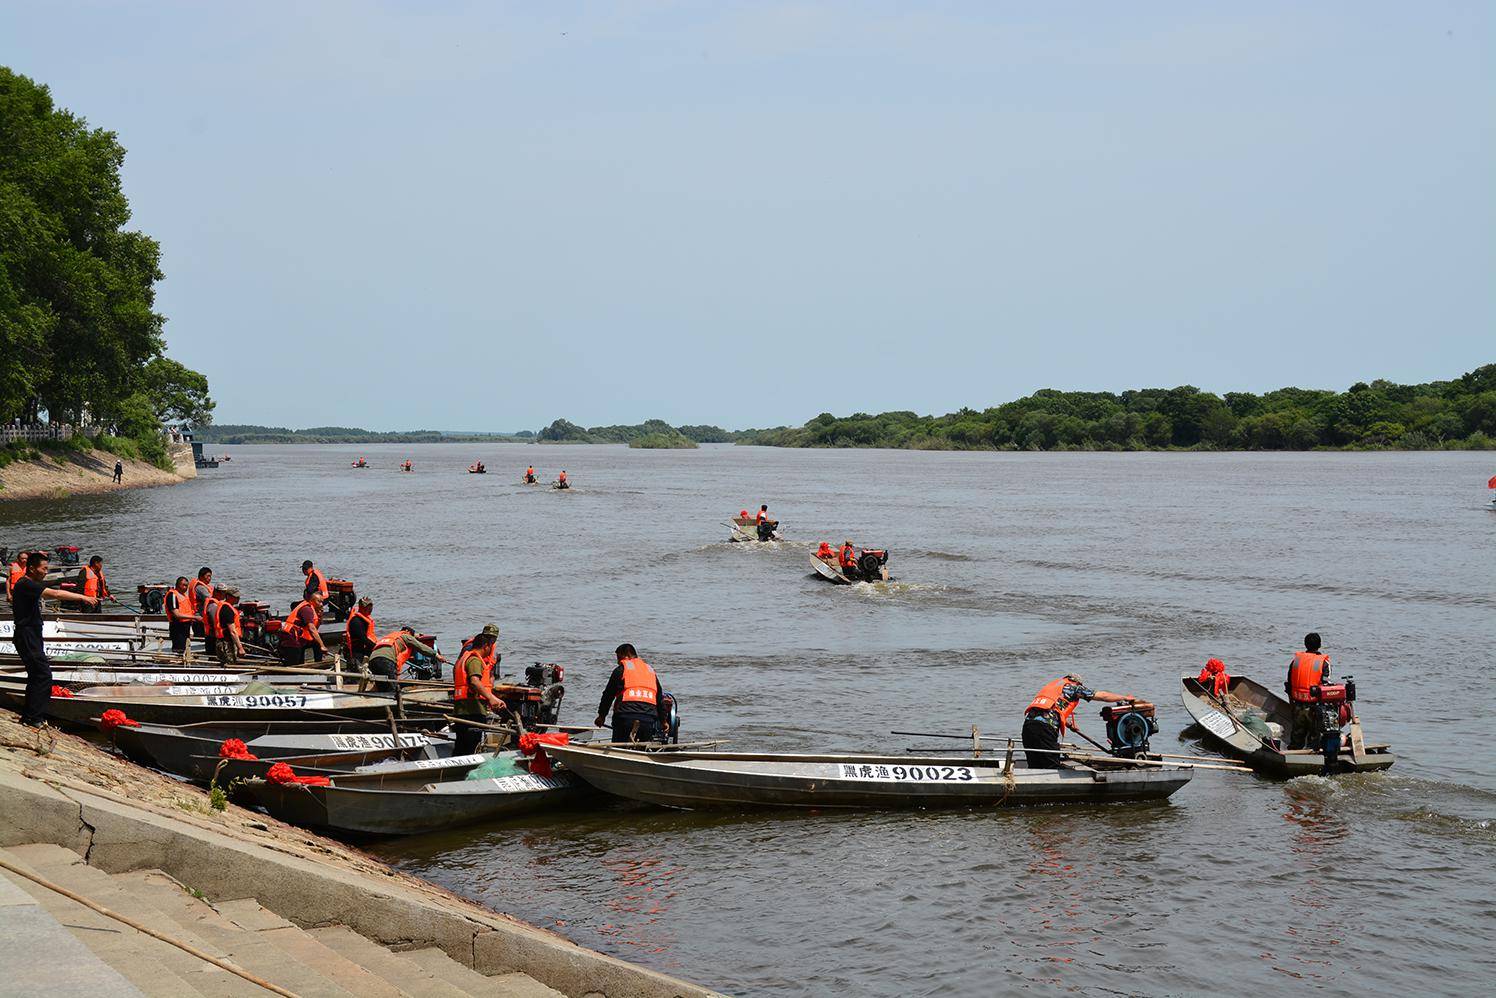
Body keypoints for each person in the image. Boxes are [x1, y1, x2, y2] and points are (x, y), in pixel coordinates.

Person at [9, 551, 98, 726]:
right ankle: (34, 718)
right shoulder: (26, 584)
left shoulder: (28, 584)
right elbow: (56, 594)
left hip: (30, 635)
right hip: (27, 635)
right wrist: (84, 597)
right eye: (44, 569)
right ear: (32, 568)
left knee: (36, 675)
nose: (45, 572)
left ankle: (29, 716)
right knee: (43, 675)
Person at [1021, 673, 1139, 769]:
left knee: (1035, 764)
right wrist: (1124, 697)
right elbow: (1102, 696)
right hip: (1045, 730)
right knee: (1052, 765)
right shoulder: (1073, 687)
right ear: (1078, 682)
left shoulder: (1052, 686)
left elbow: (1049, 709)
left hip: (1028, 726)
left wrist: (1067, 724)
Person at [595, 643, 670, 743]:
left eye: (619, 658)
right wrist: (664, 721)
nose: (618, 662)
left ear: (627, 655)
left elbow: (608, 695)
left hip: (625, 718)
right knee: (643, 748)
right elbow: (659, 699)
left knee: (619, 748)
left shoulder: (621, 670)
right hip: (648, 719)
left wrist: (601, 716)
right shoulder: (650, 671)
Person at [452, 626, 507, 755]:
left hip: (463, 709)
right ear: (486, 646)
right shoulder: (475, 660)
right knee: (471, 746)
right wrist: (491, 698)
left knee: (461, 746)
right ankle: (466, 771)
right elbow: (475, 681)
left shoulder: (466, 656)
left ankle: (456, 771)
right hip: (472, 710)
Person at [1286, 632, 1332, 749]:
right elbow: (1326, 686)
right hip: (1314, 707)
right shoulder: (1323, 663)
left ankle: (1294, 752)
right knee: (1315, 738)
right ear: (1320, 645)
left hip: (1297, 705)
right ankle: (1313, 753)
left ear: (1305, 644)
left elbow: (1289, 683)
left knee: (1296, 736)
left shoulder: (1296, 661)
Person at [367, 626, 444, 693]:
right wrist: (436, 655)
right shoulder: (405, 635)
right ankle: (394, 707)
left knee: (381, 686)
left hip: (372, 660)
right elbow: (420, 647)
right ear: (408, 632)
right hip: (385, 661)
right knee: (392, 689)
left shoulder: (390, 636)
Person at [279, 592, 326, 665]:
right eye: (319, 601)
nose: (321, 604)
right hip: (291, 639)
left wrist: (320, 616)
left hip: (300, 638)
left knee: (318, 639)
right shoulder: (307, 609)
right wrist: (322, 646)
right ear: (311, 601)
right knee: (295, 664)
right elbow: (312, 629)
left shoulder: (313, 610)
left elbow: (316, 627)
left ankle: (318, 662)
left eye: (322, 602)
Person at [162, 577, 200, 654]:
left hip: (186, 626)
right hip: (177, 626)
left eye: (186, 586)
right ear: (177, 585)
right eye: (183, 585)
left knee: (185, 648)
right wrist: (195, 617)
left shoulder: (183, 595)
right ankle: (177, 663)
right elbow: (176, 614)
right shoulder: (172, 595)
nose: (185, 588)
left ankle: (183, 661)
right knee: (179, 649)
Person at [214, 588, 245, 665]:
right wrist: (240, 648)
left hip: (224, 641)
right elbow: (233, 631)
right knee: (229, 664)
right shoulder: (227, 609)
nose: (238, 599)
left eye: (238, 597)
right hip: (226, 643)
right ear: (228, 596)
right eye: (235, 597)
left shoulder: (226, 607)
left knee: (226, 663)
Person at [344, 597, 376, 666]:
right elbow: (363, 639)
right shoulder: (356, 621)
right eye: (367, 607)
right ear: (361, 607)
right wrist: (376, 647)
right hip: (356, 652)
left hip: (364, 650)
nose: (370, 609)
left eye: (370, 607)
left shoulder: (365, 619)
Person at [191, 568, 214, 643]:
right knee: (201, 642)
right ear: (201, 576)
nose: (209, 578)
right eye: (207, 576)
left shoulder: (201, 586)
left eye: (210, 576)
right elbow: (211, 599)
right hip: (199, 619)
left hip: (198, 618)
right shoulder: (200, 588)